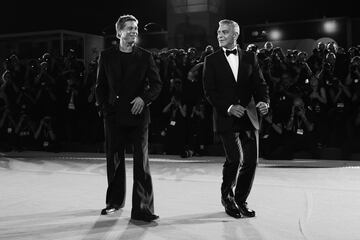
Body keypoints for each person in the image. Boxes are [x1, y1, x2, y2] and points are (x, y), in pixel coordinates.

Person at [95, 14, 162, 222]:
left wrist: (144, 98)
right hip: (114, 116)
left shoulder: (145, 56)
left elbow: (157, 84)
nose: (134, 31)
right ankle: (114, 202)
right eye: (129, 28)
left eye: (136, 28)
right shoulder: (106, 56)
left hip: (138, 116)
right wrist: (105, 109)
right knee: (114, 160)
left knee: (141, 163)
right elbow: (100, 87)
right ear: (119, 33)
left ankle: (142, 209)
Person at [203, 19, 269, 218]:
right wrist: (230, 107)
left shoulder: (250, 57)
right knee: (235, 159)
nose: (220, 35)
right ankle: (227, 197)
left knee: (251, 162)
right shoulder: (211, 60)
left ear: (235, 35)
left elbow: (260, 84)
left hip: (249, 116)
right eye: (218, 32)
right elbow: (209, 92)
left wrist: (264, 101)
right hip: (226, 116)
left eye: (224, 32)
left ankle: (241, 199)